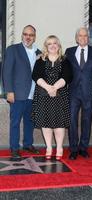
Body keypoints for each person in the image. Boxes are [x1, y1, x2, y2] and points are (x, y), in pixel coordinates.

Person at [2, 25, 41, 158]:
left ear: (34, 37)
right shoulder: (13, 49)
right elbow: (6, 72)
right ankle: (14, 148)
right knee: (15, 122)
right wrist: (9, 91)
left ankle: (28, 144)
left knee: (30, 122)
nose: (28, 37)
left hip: (33, 94)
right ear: (22, 35)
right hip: (17, 94)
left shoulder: (39, 52)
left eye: (31, 35)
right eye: (25, 34)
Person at [32, 35, 72, 160]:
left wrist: (54, 87)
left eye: (55, 43)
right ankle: (49, 147)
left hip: (60, 95)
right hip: (43, 95)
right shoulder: (40, 60)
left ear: (59, 45)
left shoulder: (65, 60)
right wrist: (48, 88)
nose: (53, 45)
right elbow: (35, 75)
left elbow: (68, 76)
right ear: (46, 46)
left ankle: (59, 147)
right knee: (46, 122)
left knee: (59, 123)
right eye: (50, 43)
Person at [65, 27, 92, 160]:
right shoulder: (69, 52)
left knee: (87, 121)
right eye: (80, 36)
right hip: (73, 92)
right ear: (76, 38)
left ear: (88, 38)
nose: (83, 38)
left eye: (85, 36)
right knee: (72, 121)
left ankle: (83, 148)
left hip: (89, 92)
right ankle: (73, 148)